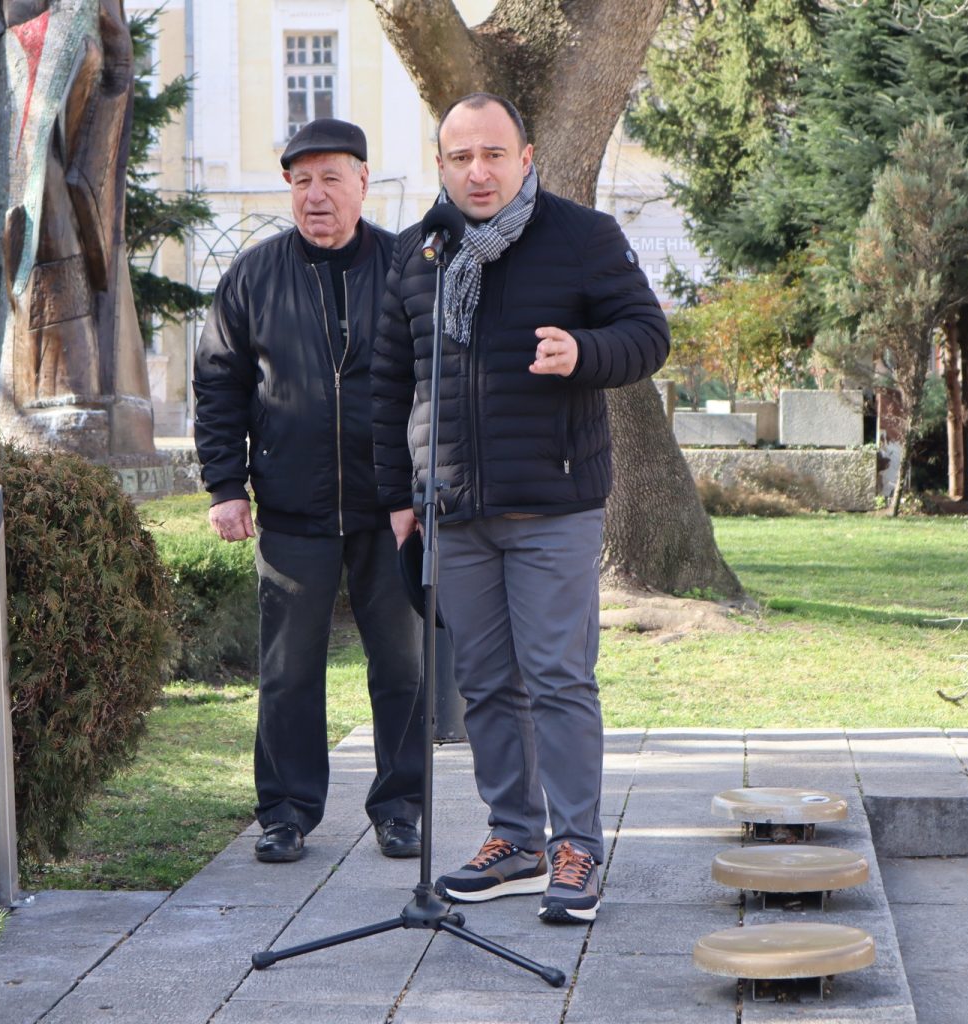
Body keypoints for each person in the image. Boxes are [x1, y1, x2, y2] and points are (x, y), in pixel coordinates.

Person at [371, 93, 670, 922]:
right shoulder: (419, 254)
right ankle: (514, 838)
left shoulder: (582, 238)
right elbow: (390, 384)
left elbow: (647, 335)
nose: (479, 171)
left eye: (494, 154)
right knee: (485, 683)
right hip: (454, 509)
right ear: (441, 165)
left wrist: (584, 351)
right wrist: (398, 497)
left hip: (553, 503)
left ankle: (577, 847)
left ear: (526, 158)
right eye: (461, 157)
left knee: (558, 678)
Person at [193, 118, 425, 864]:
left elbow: (435, 382)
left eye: (330, 178)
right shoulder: (253, 275)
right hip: (293, 506)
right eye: (301, 181)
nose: (315, 195)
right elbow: (218, 383)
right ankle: (286, 812)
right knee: (288, 672)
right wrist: (226, 485)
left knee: (403, 665)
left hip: (393, 508)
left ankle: (401, 808)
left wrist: (426, 486)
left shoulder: (404, 266)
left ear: (363, 180)